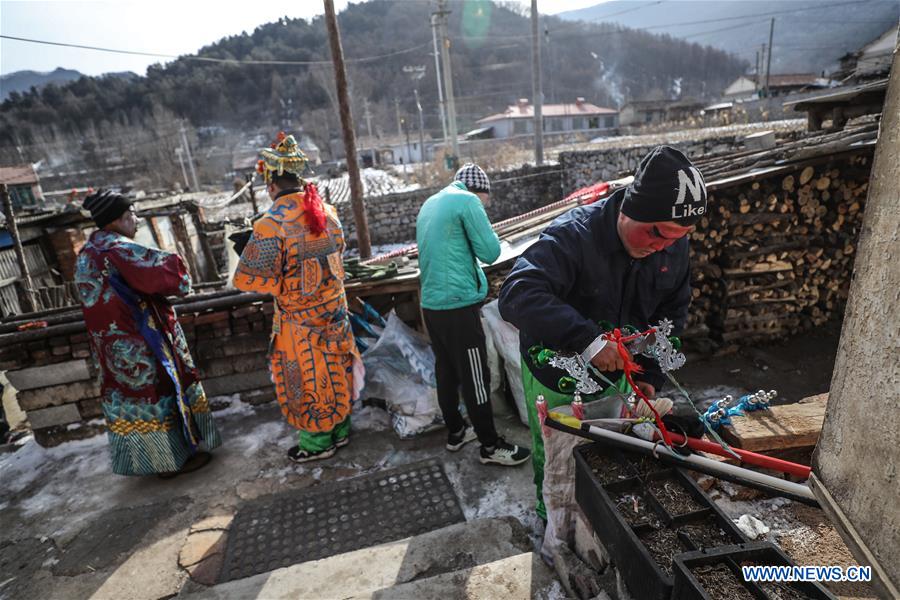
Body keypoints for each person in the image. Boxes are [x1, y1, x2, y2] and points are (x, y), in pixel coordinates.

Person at [498, 145, 706, 520]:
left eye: (678, 238)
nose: (664, 247)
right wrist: (587, 341)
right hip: (558, 374)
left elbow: (672, 311)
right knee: (558, 453)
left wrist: (652, 375)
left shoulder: (671, 248)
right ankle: (552, 521)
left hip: (622, 374)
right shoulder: (574, 237)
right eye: (657, 233)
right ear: (631, 209)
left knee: (610, 449)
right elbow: (517, 294)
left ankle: (598, 519)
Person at [233, 132, 362, 463]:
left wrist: (246, 247)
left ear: (271, 183)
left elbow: (252, 280)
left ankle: (318, 443)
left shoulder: (270, 223)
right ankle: (341, 431)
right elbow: (339, 252)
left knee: (308, 379)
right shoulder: (327, 212)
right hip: (334, 313)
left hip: (300, 324)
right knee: (337, 371)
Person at [75, 189, 221, 477]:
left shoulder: (87, 252)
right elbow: (170, 275)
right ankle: (171, 463)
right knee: (157, 394)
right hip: (141, 340)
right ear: (118, 219)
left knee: (133, 400)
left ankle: (151, 461)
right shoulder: (119, 249)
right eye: (132, 215)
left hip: (111, 347)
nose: (137, 220)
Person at [416, 163, 531, 467]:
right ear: (479, 192)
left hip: (431, 304)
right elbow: (491, 253)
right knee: (475, 375)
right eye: (485, 201)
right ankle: (490, 446)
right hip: (458, 305)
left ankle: (456, 432)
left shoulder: (431, 202)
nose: (485, 206)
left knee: (446, 370)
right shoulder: (467, 201)